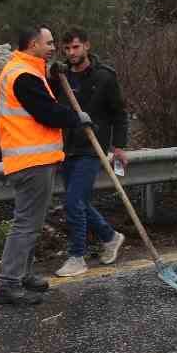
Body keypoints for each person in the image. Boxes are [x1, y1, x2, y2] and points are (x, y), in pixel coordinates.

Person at [0, 26, 91, 306]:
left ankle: (22, 274)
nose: (52, 47)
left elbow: (43, 100)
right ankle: (8, 283)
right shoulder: (22, 75)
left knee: (31, 223)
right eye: (48, 43)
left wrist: (54, 77)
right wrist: (76, 118)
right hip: (30, 161)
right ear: (33, 44)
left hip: (36, 160)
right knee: (26, 223)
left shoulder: (28, 70)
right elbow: (46, 112)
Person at [48, 28, 127, 277]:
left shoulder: (104, 77)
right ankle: (110, 237)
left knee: (73, 202)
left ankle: (77, 256)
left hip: (92, 148)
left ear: (87, 46)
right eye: (67, 48)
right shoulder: (61, 77)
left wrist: (119, 146)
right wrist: (51, 74)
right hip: (66, 148)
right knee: (78, 201)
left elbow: (119, 113)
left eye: (76, 47)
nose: (72, 53)